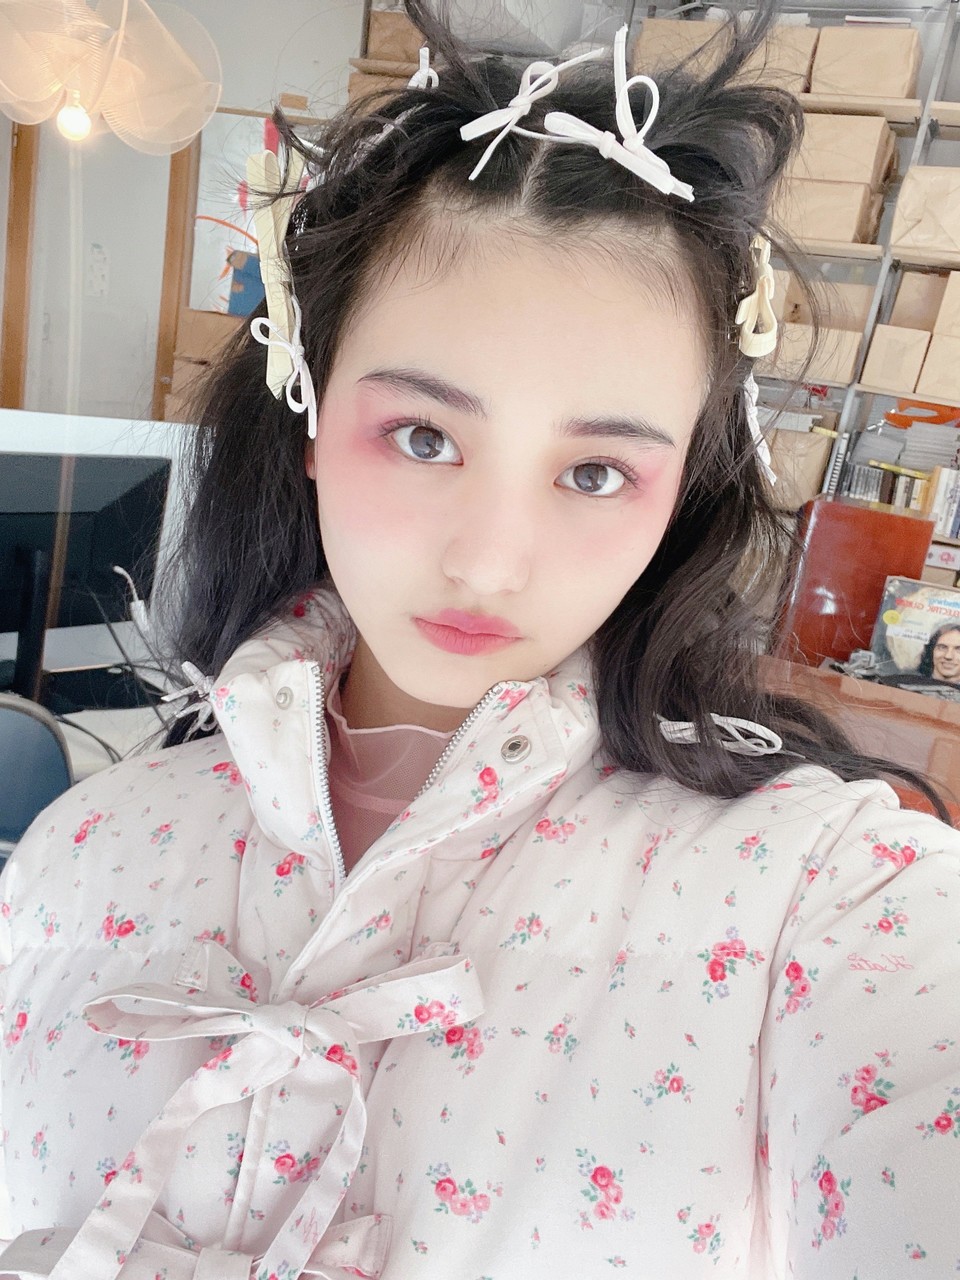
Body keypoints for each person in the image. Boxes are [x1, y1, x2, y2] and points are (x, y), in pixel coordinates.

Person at [1, 4, 958, 1276]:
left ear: (680, 492)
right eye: (424, 437)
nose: (491, 560)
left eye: (597, 471)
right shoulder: (80, 852)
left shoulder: (824, 894)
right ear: (311, 411)